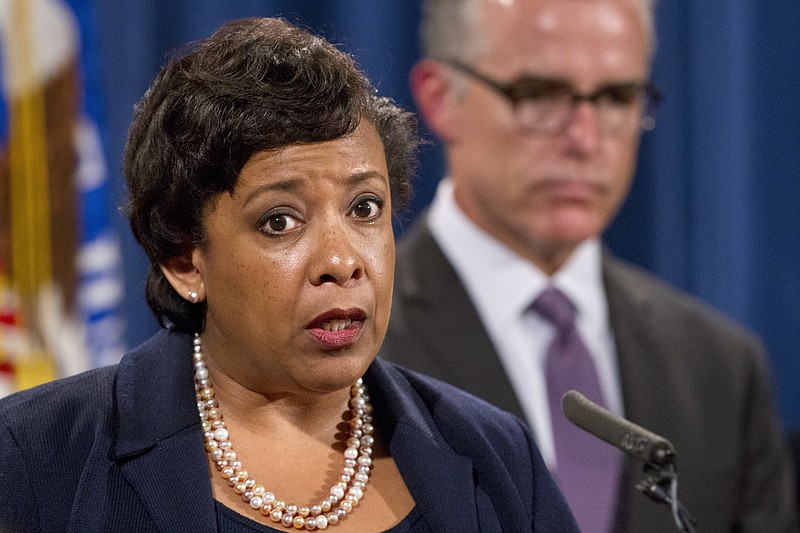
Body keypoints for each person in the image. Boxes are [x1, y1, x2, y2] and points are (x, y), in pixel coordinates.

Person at [0, 17, 579, 533]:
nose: (342, 261)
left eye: (365, 209)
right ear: (184, 260)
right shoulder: (37, 458)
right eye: (280, 221)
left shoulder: (496, 457)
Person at [379, 1, 799, 532]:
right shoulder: (359, 346)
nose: (584, 139)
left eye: (616, 98)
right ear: (440, 100)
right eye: (539, 95)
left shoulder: (721, 369)